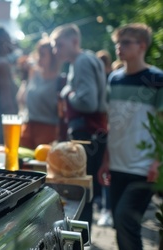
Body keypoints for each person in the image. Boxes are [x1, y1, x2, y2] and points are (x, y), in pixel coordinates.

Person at [98, 23, 163, 250]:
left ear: (142, 46)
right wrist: (105, 161)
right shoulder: (114, 79)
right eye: (117, 42)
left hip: (144, 168)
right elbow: (112, 125)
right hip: (116, 165)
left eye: (125, 42)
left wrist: (158, 160)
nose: (119, 47)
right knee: (120, 223)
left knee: (125, 219)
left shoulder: (157, 80)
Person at [50, 23, 108, 229]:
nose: (56, 50)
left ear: (74, 41)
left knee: (81, 191)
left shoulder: (82, 61)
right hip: (92, 132)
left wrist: (67, 93)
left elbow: (88, 102)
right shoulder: (84, 60)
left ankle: (81, 240)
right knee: (85, 191)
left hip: (87, 133)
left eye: (59, 44)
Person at [17, 37, 61, 149]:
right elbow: (21, 99)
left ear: (53, 57)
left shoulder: (59, 80)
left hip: (48, 131)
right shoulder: (33, 73)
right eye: (38, 54)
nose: (39, 58)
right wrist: (24, 76)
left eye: (43, 55)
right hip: (27, 127)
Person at [95, 49, 114, 227]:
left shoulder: (111, 80)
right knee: (103, 170)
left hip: (107, 131)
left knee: (107, 172)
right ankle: (103, 205)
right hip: (102, 131)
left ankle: (108, 208)